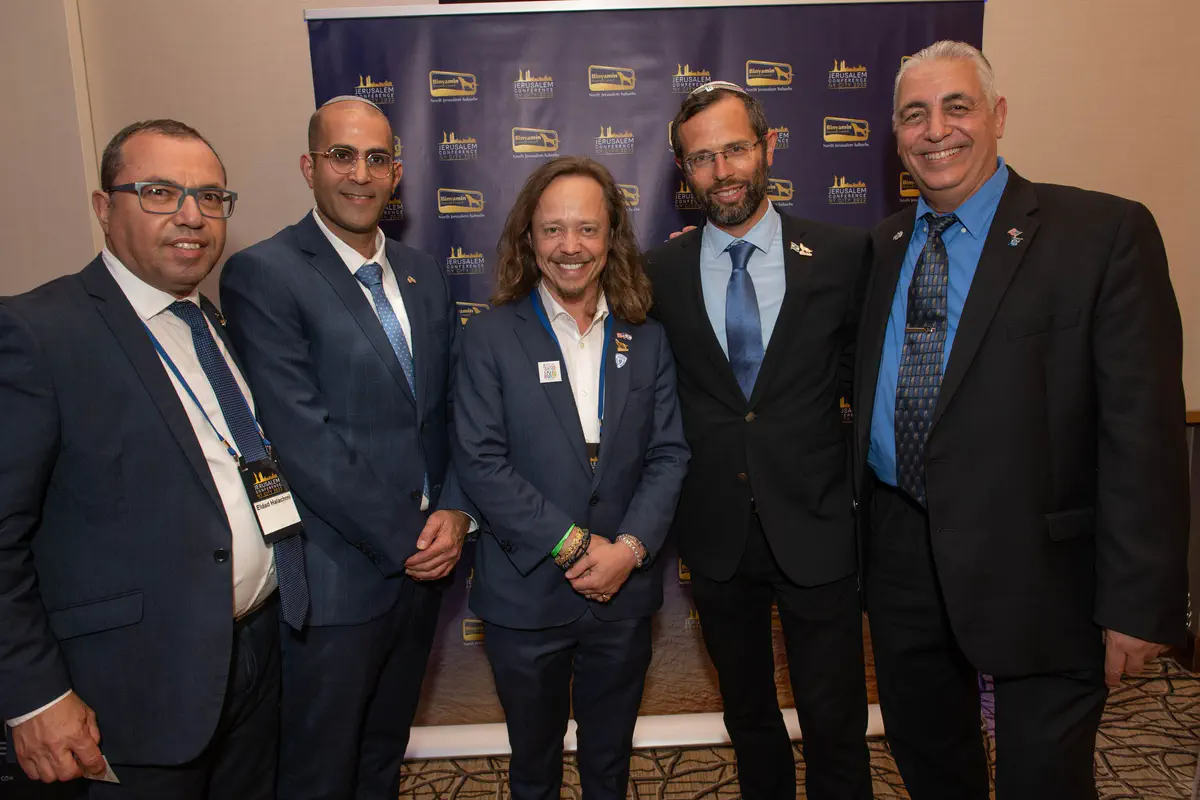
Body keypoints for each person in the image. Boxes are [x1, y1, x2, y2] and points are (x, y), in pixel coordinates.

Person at [854, 41, 1189, 799]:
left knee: (1045, 779)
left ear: (998, 115)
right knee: (931, 764)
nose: (936, 130)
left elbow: (1143, 432)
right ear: (897, 135)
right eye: (914, 114)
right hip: (903, 554)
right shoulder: (883, 247)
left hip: (1043, 574)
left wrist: (1140, 601)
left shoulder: (1100, 234)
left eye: (957, 106)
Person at [0, 119, 289, 798]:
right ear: (104, 207)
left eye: (211, 197)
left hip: (254, 660)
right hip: (131, 693)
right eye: (160, 192)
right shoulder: (39, 332)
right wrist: (35, 697)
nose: (192, 216)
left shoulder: (215, 325)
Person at [219, 96, 475, 800]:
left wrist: (457, 513)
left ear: (397, 172)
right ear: (310, 167)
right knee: (319, 773)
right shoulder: (265, 273)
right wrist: (410, 538)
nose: (360, 174)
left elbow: (454, 408)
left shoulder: (423, 272)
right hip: (335, 580)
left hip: (425, 570)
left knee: (382, 756)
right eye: (342, 155)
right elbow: (303, 439)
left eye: (376, 158)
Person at [643, 83, 873, 799]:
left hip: (819, 524)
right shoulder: (657, 275)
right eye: (702, 157)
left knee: (835, 717)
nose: (722, 171)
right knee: (747, 714)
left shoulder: (842, 255)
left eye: (735, 149)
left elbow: (867, 390)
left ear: (768, 147)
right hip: (716, 534)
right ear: (683, 171)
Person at [452, 156, 689, 800]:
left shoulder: (647, 339)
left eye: (587, 228)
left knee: (610, 763)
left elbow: (669, 455)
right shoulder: (489, 337)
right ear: (528, 239)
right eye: (552, 229)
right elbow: (480, 461)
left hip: (622, 594)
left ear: (611, 237)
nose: (570, 246)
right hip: (525, 595)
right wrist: (576, 545)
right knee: (533, 767)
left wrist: (628, 551)